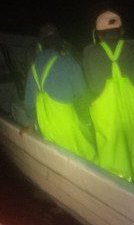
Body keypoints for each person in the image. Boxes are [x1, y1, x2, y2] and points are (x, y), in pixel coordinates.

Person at [82, 10, 134, 182]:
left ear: (98, 35)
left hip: (107, 114)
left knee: (113, 154)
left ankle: (118, 186)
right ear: (122, 31)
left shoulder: (88, 52)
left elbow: (90, 83)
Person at [25, 24, 97, 163]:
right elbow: (81, 93)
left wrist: (32, 125)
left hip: (48, 132)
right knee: (87, 162)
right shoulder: (68, 62)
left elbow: (30, 106)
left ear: (41, 45)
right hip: (72, 131)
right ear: (59, 42)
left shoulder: (33, 69)